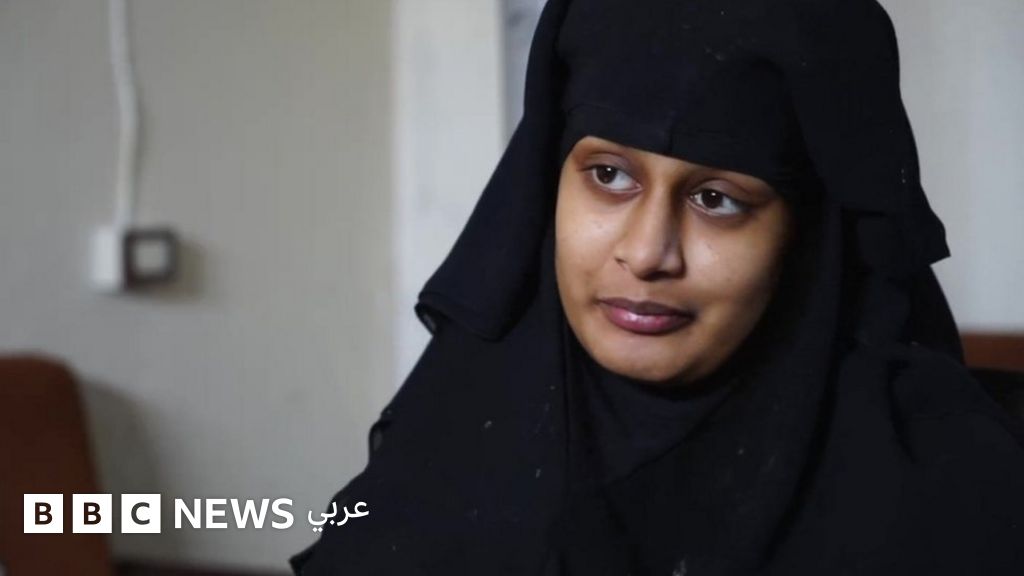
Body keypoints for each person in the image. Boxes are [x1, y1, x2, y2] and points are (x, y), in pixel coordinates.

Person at [290, 0, 1024, 574]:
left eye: (718, 199)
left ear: (807, 241)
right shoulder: (445, 449)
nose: (646, 255)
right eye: (609, 176)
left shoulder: (951, 508)